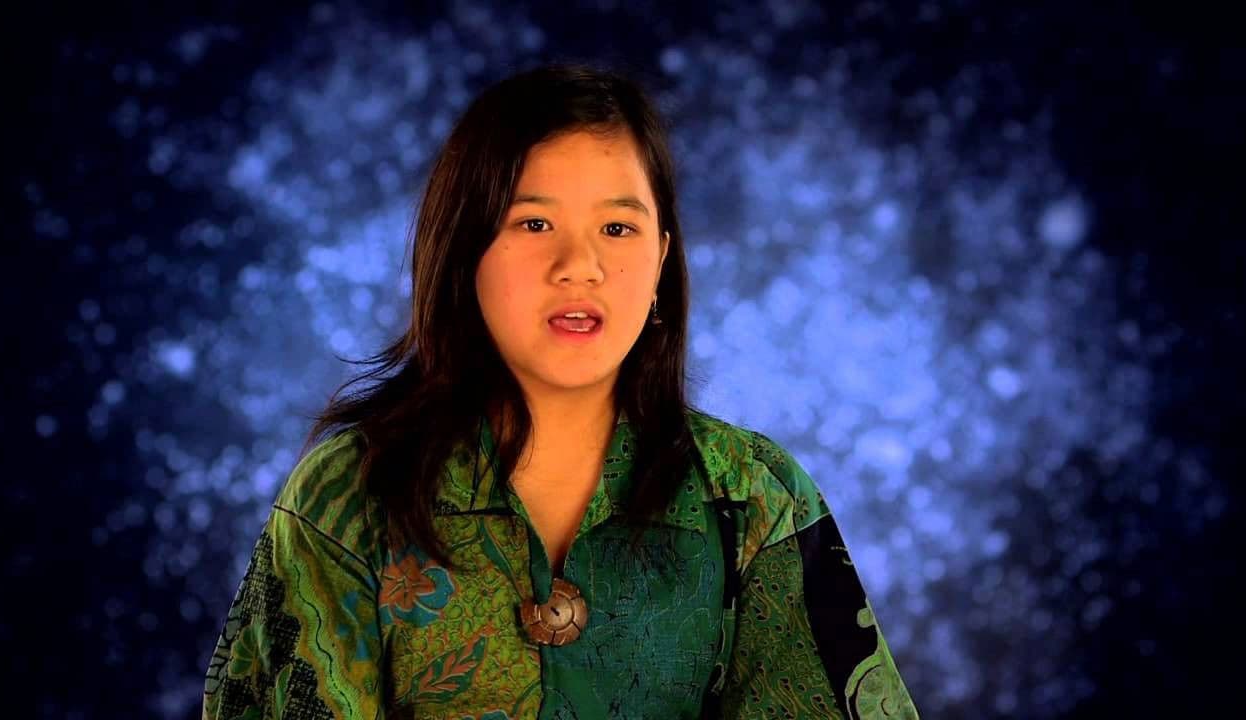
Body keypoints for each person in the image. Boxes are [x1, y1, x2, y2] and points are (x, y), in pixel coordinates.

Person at [202, 61, 919, 719]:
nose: (580, 265)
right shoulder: (347, 497)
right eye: (535, 223)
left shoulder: (753, 497)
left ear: (661, 261)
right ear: (463, 249)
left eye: (618, 227)